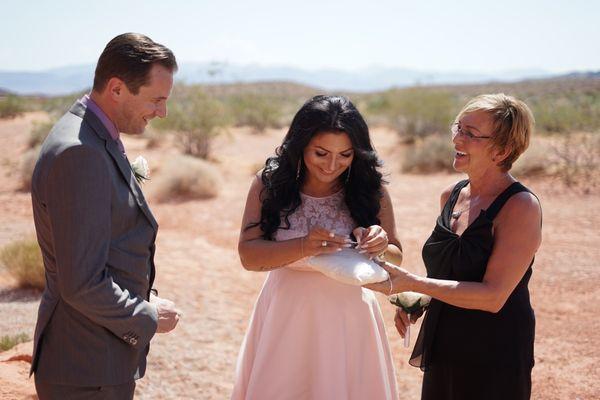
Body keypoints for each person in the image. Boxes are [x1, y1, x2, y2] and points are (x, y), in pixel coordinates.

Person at [30, 33, 181, 400]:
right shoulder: (80, 154)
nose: (162, 112)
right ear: (116, 88)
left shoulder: (94, 133)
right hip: (85, 369)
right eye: (156, 99)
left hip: (91, 360)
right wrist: (145, 316)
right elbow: (82, 282)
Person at [367, 93, 542, 400]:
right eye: (458, 129)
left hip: (495, 349)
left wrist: (412, 282)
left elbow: (493, 296)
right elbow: (451, 273)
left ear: (502, 150)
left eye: (470, 134)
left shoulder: (520, 207)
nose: (457, 139)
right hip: (444, 339)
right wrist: (419, 301)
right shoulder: (451, 195)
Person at [232, 95, 403, 400]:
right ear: (300, 146)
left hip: (350, 317)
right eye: (321, 153)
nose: (332, 165)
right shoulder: (269, 184)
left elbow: (395, 254)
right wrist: (303, 246)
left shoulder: (370, 189)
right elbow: (249, 256)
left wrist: (380, 244)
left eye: (345, 155)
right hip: (286, 314)